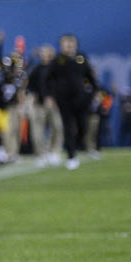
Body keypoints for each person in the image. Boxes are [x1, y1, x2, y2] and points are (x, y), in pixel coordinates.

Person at [46, 34, 97, 170]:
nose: (69, 46)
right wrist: (50, 96)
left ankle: (76, 145)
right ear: (61, 45)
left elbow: (90, 77)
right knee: (68, 127)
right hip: (64, 100)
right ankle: (71, 156)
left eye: (71, 43)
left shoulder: (81, 58)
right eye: (66, 43)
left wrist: (94, 92)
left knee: (83, 126)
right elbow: (48, 78)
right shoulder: (58, 60)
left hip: (80, 99)